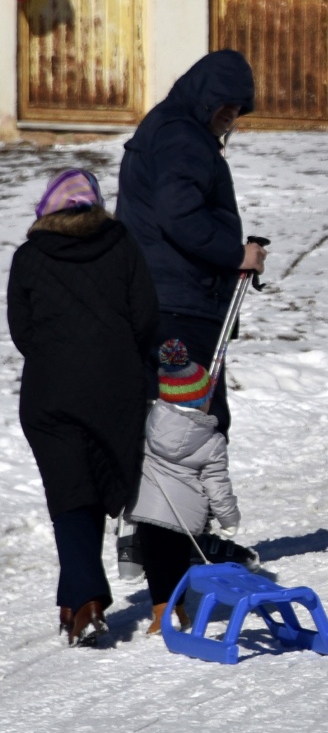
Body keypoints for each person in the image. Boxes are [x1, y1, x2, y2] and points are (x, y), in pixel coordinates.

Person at [6, 170, 158, 647]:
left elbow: (22, 330)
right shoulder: (122, 244)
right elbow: (146, 316)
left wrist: (58, 355)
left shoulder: (30, 256)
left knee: (71, 490)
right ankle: (76, 600)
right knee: (91, 485)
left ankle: (84, 599)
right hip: (116, 387)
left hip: (51, 391)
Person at [116, 49, 268, 438]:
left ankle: (163, 499)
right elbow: (179, 213)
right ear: (203, 97)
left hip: (162, 300)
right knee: (196, 423)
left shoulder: (168, 128)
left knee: (168, 417)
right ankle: (192, 501)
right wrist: (238, 254)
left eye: (237, 107)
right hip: (179, 308)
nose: (230, 115)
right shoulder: (182, 136)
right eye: (224, 105)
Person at [126, 339, 242, 636]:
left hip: (148, 509)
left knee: (155, 563)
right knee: (177, 562)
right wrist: (229, 519)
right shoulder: (212, 441)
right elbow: (217, 484)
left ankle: (161, 612)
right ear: (201, 399)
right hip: (184, 518)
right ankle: (178, 608)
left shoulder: (148, 420)